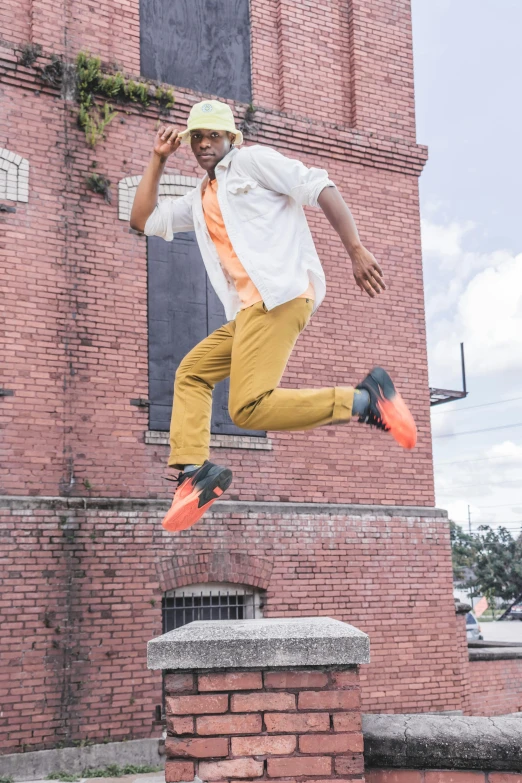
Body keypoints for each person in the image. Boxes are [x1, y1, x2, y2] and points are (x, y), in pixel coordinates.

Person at [130, 99, 417, 533]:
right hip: (249, 312)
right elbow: (142, 219)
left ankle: (366, 400)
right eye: (198, 137)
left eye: (214, 135)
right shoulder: (199, 198)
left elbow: (319, 186)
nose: (205, 143)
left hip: (281, 295)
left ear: (231, 138)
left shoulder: (252, 162)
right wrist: (157, 158)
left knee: (247, 407)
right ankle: (194, 473)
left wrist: (354, 248)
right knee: (191, 373)